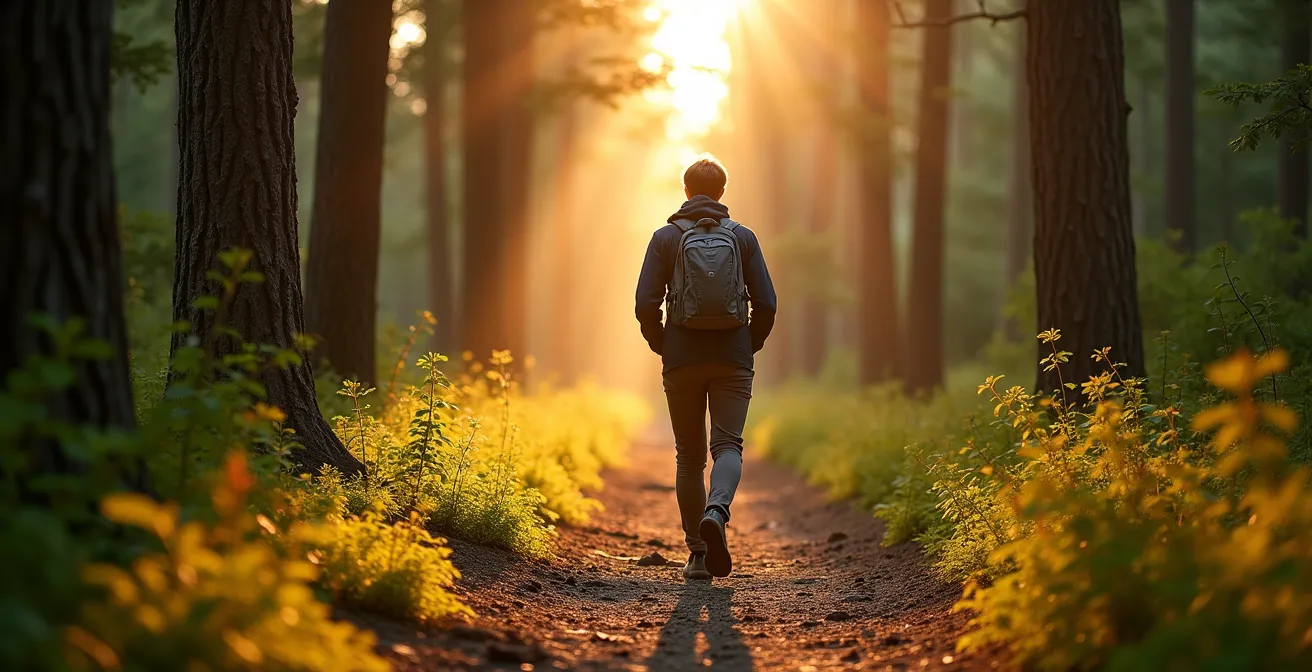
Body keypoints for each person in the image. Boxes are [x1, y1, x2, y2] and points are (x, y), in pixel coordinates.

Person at [634, 156, 777, 580]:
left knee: (689, 456)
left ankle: (697, 554)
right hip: (733, 355)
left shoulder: (665, 238)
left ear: (685, 191)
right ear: (721, 193)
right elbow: (767, 303)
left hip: (681, 358)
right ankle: (717, 510)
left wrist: (663, 344)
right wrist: (750, 344)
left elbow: (645, 304)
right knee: (728, 446)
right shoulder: (744, 238)